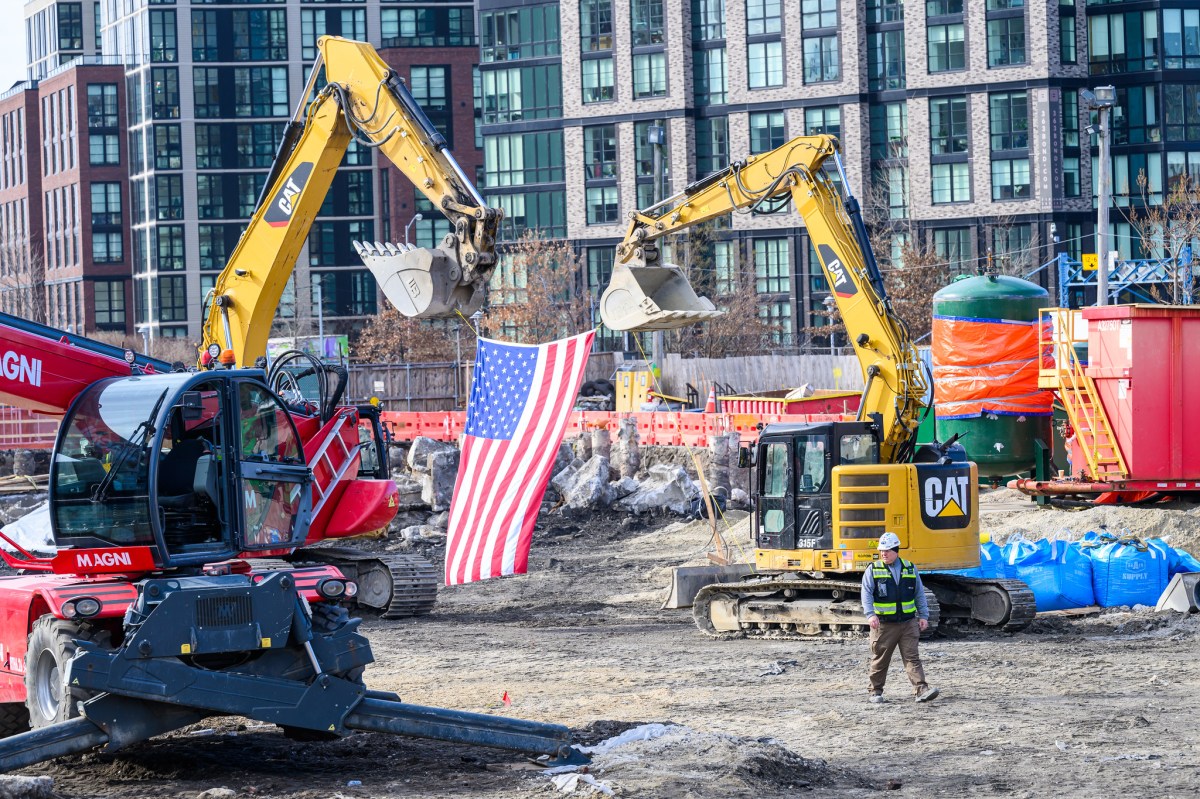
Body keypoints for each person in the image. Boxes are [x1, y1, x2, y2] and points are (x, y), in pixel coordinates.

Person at [861, 532, 940, 704]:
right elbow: (866, 593)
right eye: (881, 550)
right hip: (884, 625)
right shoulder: (873, 569)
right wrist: (870, 614)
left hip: (908, 623)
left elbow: (919, 593)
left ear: (896, 550)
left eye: (887, 550)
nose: (883, 554)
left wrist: (924, 615)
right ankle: (875, 692)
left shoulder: (910, 568)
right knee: (880, 658)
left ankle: (921, 691)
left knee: (912, 658)